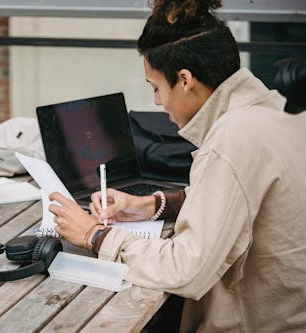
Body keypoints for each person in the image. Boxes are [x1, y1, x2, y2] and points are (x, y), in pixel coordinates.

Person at [49, 0, 306, 332]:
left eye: (156, 88)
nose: (156, 101)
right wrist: (153, 204)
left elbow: (185, 270)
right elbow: (242, 197)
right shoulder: (277, 108)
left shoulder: (232, 139)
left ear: (185, 80)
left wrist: (93, 234)